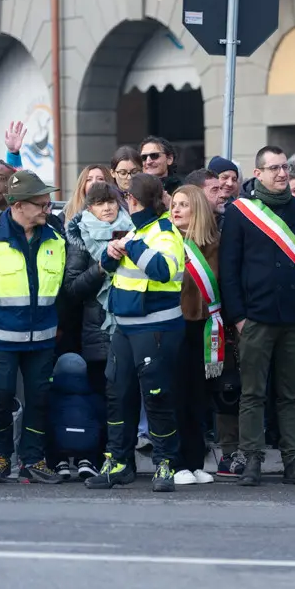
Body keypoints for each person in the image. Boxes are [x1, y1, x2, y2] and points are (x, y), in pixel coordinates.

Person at [219, 146, 295, 487]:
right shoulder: (240, 212)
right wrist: (238, 317)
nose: (282, 173)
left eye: (285, 168)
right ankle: (252, 460)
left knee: (292, 393)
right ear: (259, 173)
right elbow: (229, 269)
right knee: (252, 393)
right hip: (255, 318)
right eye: (274, 168)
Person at [85, 173, 185, 492]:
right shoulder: (136, 230)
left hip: (156, 328)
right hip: (125, 328)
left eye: (127, 198)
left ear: (133, 200)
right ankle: (118, 462)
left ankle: (165, 463)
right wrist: (111, 254)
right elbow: (111, 269)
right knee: (118, 395)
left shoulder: (165, 232)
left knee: (156, 397)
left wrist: (133, 246)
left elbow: (165, 270)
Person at [0, 171, 65, 483]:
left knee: (39, 398)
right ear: (18, 206)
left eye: (49, 204)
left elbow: (61, 290)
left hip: (42, 338)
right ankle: (0, 457)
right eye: (40, 204)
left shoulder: (56, 240)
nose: (46, 210)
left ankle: (33, 460)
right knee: (1, 397)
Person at [60, 182, 132, 479]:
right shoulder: (79, 237)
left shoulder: (132, 231)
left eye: (111, 202)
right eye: (99, 203)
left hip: (128, 324)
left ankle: (124, 459)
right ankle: (101, 456)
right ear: (88, 207)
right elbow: (72, 288)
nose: (106, 208)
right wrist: (102, 265)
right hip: (96, 331)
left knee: (127, 397)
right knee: (103, 398)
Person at [171, 185, 222, 486]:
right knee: (177, 397)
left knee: (199, 399)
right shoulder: (168, 241)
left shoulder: (215, 244)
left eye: (184, 205)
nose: (175, 209)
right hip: (175, 326)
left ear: (198, 210)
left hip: (206, 328)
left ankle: (195, 460)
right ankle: (176, 462)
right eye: (174, 204)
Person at [48, 353, 103, 481]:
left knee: (49, 425)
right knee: (95, 427)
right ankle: (87, 461)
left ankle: (59, 463)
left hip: (59, 441)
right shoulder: (93, 396)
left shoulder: (51, 395)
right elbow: (103, 417)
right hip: (87, 441)